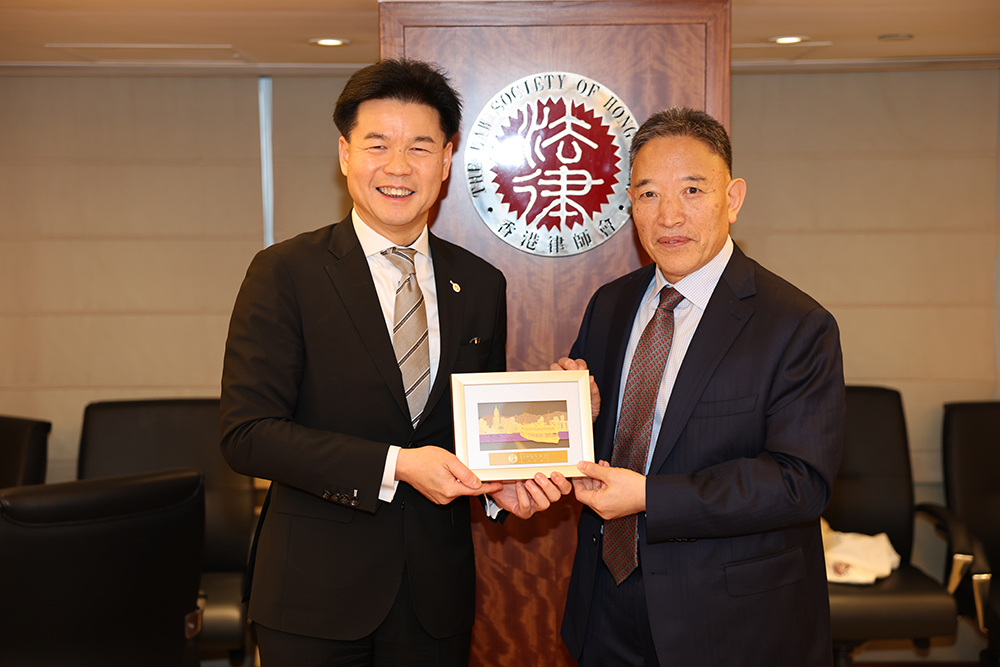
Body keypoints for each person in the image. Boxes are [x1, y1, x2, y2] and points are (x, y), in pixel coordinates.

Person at [221, 58, 569, 667]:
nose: (399, 167)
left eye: (420, 147)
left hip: (434, 602)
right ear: (345, 154)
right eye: (378, 145)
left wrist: (499, 488)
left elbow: (472, 433)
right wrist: (398, 465)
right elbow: (247, 435)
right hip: (312, 599)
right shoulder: (286, 273)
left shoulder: (480, 283)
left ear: (447, 159)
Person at [553, 107, 844, 666]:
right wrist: (577, 414)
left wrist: (649, 496)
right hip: (605, 604)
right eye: (649, 194)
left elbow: (800, 482)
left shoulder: (795, 324)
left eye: (692, 190)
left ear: (732, 199)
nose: (669, 215)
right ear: (630, 203)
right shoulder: (610, 303)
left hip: (730, 621)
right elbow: (614, 441)